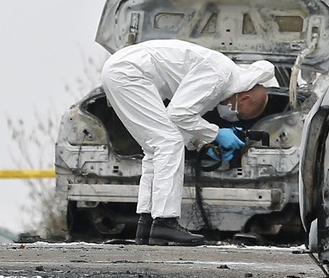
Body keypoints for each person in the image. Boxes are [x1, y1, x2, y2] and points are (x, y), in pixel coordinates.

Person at [101, 39, 276, 245]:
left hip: (122, 71)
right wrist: (216, 134)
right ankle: (164, 222)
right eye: (243, 115)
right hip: (129, 72)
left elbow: (180, 121)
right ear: (244, 97)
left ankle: (147, 222)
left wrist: (202, 144)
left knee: (155, 147)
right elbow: (178, 114)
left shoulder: (221, 81)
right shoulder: (220, 76)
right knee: (168, 143)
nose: (237, 118)